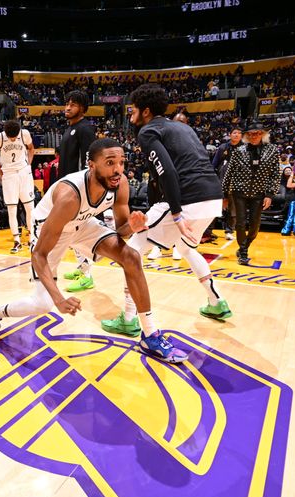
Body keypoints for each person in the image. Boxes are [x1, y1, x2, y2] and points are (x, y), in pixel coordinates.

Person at [0, 138, 187, 363]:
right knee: (42, 304)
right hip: (51, 229)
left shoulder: (120, 183)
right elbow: (39, 255)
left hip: (82, 224)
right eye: (110, 163)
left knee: (131, 257)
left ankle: (149, 335)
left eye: (121, 162)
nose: (117, 170)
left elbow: (121, 231)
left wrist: (133, 227)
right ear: (92, 165)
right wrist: (58, 299)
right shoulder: (70, 196)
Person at [101, 83, 232, 335]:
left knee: (131, 252)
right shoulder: (183, 127)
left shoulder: (148, 131)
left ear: (146, 111)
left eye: (134, 110)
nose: (130, 115)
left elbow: (168, 171)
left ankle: (129, 318)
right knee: (186, 247)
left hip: (187, 198)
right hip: (212, 196)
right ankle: (216, 302)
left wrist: (176, 212)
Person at [222, 121, 280, 265]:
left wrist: (270, 194)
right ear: (246, 135)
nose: (254, 136)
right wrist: (224, 195)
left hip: (259, 193)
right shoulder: (238, 152)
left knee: (255, 226)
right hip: (239, 191)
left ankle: (245, 245)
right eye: (251, 133)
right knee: (240, 223)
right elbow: (229, 174)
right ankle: (243, 252)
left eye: (258, 133)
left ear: (263, 134)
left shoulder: (272, 150)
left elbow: (275, 174)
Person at [57, 90, 98, 293]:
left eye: (72, 104)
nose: (67, 107)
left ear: (82, 108)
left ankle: (87, 275)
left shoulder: (85, 129)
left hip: (79, 189)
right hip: (67, 186)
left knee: (77, 230)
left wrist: (85, 189)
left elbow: (90, 162)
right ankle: (82, 268)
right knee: (73, 230)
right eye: (66, 103)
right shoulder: (70, 128)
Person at [0, 119, 35, 254]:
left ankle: (32, 238)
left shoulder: (25, 133)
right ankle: (17, 241)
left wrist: (29, 164)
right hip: (8, 175)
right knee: (12, 209)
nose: (13, 139)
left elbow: (31, 148)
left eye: (15, 137)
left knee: (30, 207)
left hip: (24, 173)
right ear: (6, 133)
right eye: (11, 137)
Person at [211, 126, 242, 240]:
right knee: (215, 207)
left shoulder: (244, 149)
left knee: (233, 208)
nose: (237, 135)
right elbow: (214, 164)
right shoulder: (223, 147)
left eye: (239, 133)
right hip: (220, 181)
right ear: (230, 135)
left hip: (236, 183)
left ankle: (229, 231)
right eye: (234, 132)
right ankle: (208, 231)